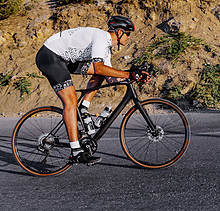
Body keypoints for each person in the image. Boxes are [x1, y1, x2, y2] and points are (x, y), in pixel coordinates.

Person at [35, 15, 150, 165]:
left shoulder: (106, 49)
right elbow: (98, 67)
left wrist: (135, 76)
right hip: (50, 56)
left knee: (101, 73)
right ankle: (76, 152)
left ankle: (83, 108)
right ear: (120, 32)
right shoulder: (102, 37)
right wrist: (129, 73)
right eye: (128, 34)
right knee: (70, 102)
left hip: (66, 59)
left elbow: (110, 77)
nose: (129, 38)